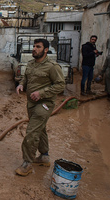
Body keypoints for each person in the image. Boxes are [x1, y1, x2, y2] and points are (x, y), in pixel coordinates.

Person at [15, 38, 65, 176]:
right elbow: (26, 77)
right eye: (34, 46)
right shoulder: (31, 64)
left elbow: (61, 85)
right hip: (31, 103)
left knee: (31, 131)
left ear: (46, 50)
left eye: (38, 47)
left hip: (44, 104)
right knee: (40, 128)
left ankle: (27, 163)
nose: (34, 49)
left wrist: (41, 93)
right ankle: (44, 156)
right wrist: (21, 84)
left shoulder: (52, 67)